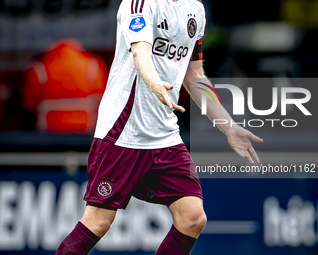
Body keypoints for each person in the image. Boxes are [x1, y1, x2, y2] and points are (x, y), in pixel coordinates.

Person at [56, 0, 263, 254]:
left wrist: (228, 126)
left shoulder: (196, 9)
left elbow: (194, 74)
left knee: (192, 218)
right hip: (123, 132)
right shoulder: (140, 3)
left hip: (165, 135)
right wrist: (155, 83)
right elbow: (140, 50)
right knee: (99, 222)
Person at [22, 38, 108, 133]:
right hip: (86, 130)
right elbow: (104, 101)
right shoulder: (93, 64)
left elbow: (28, 103)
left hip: (48, 130)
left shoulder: (39, 67)